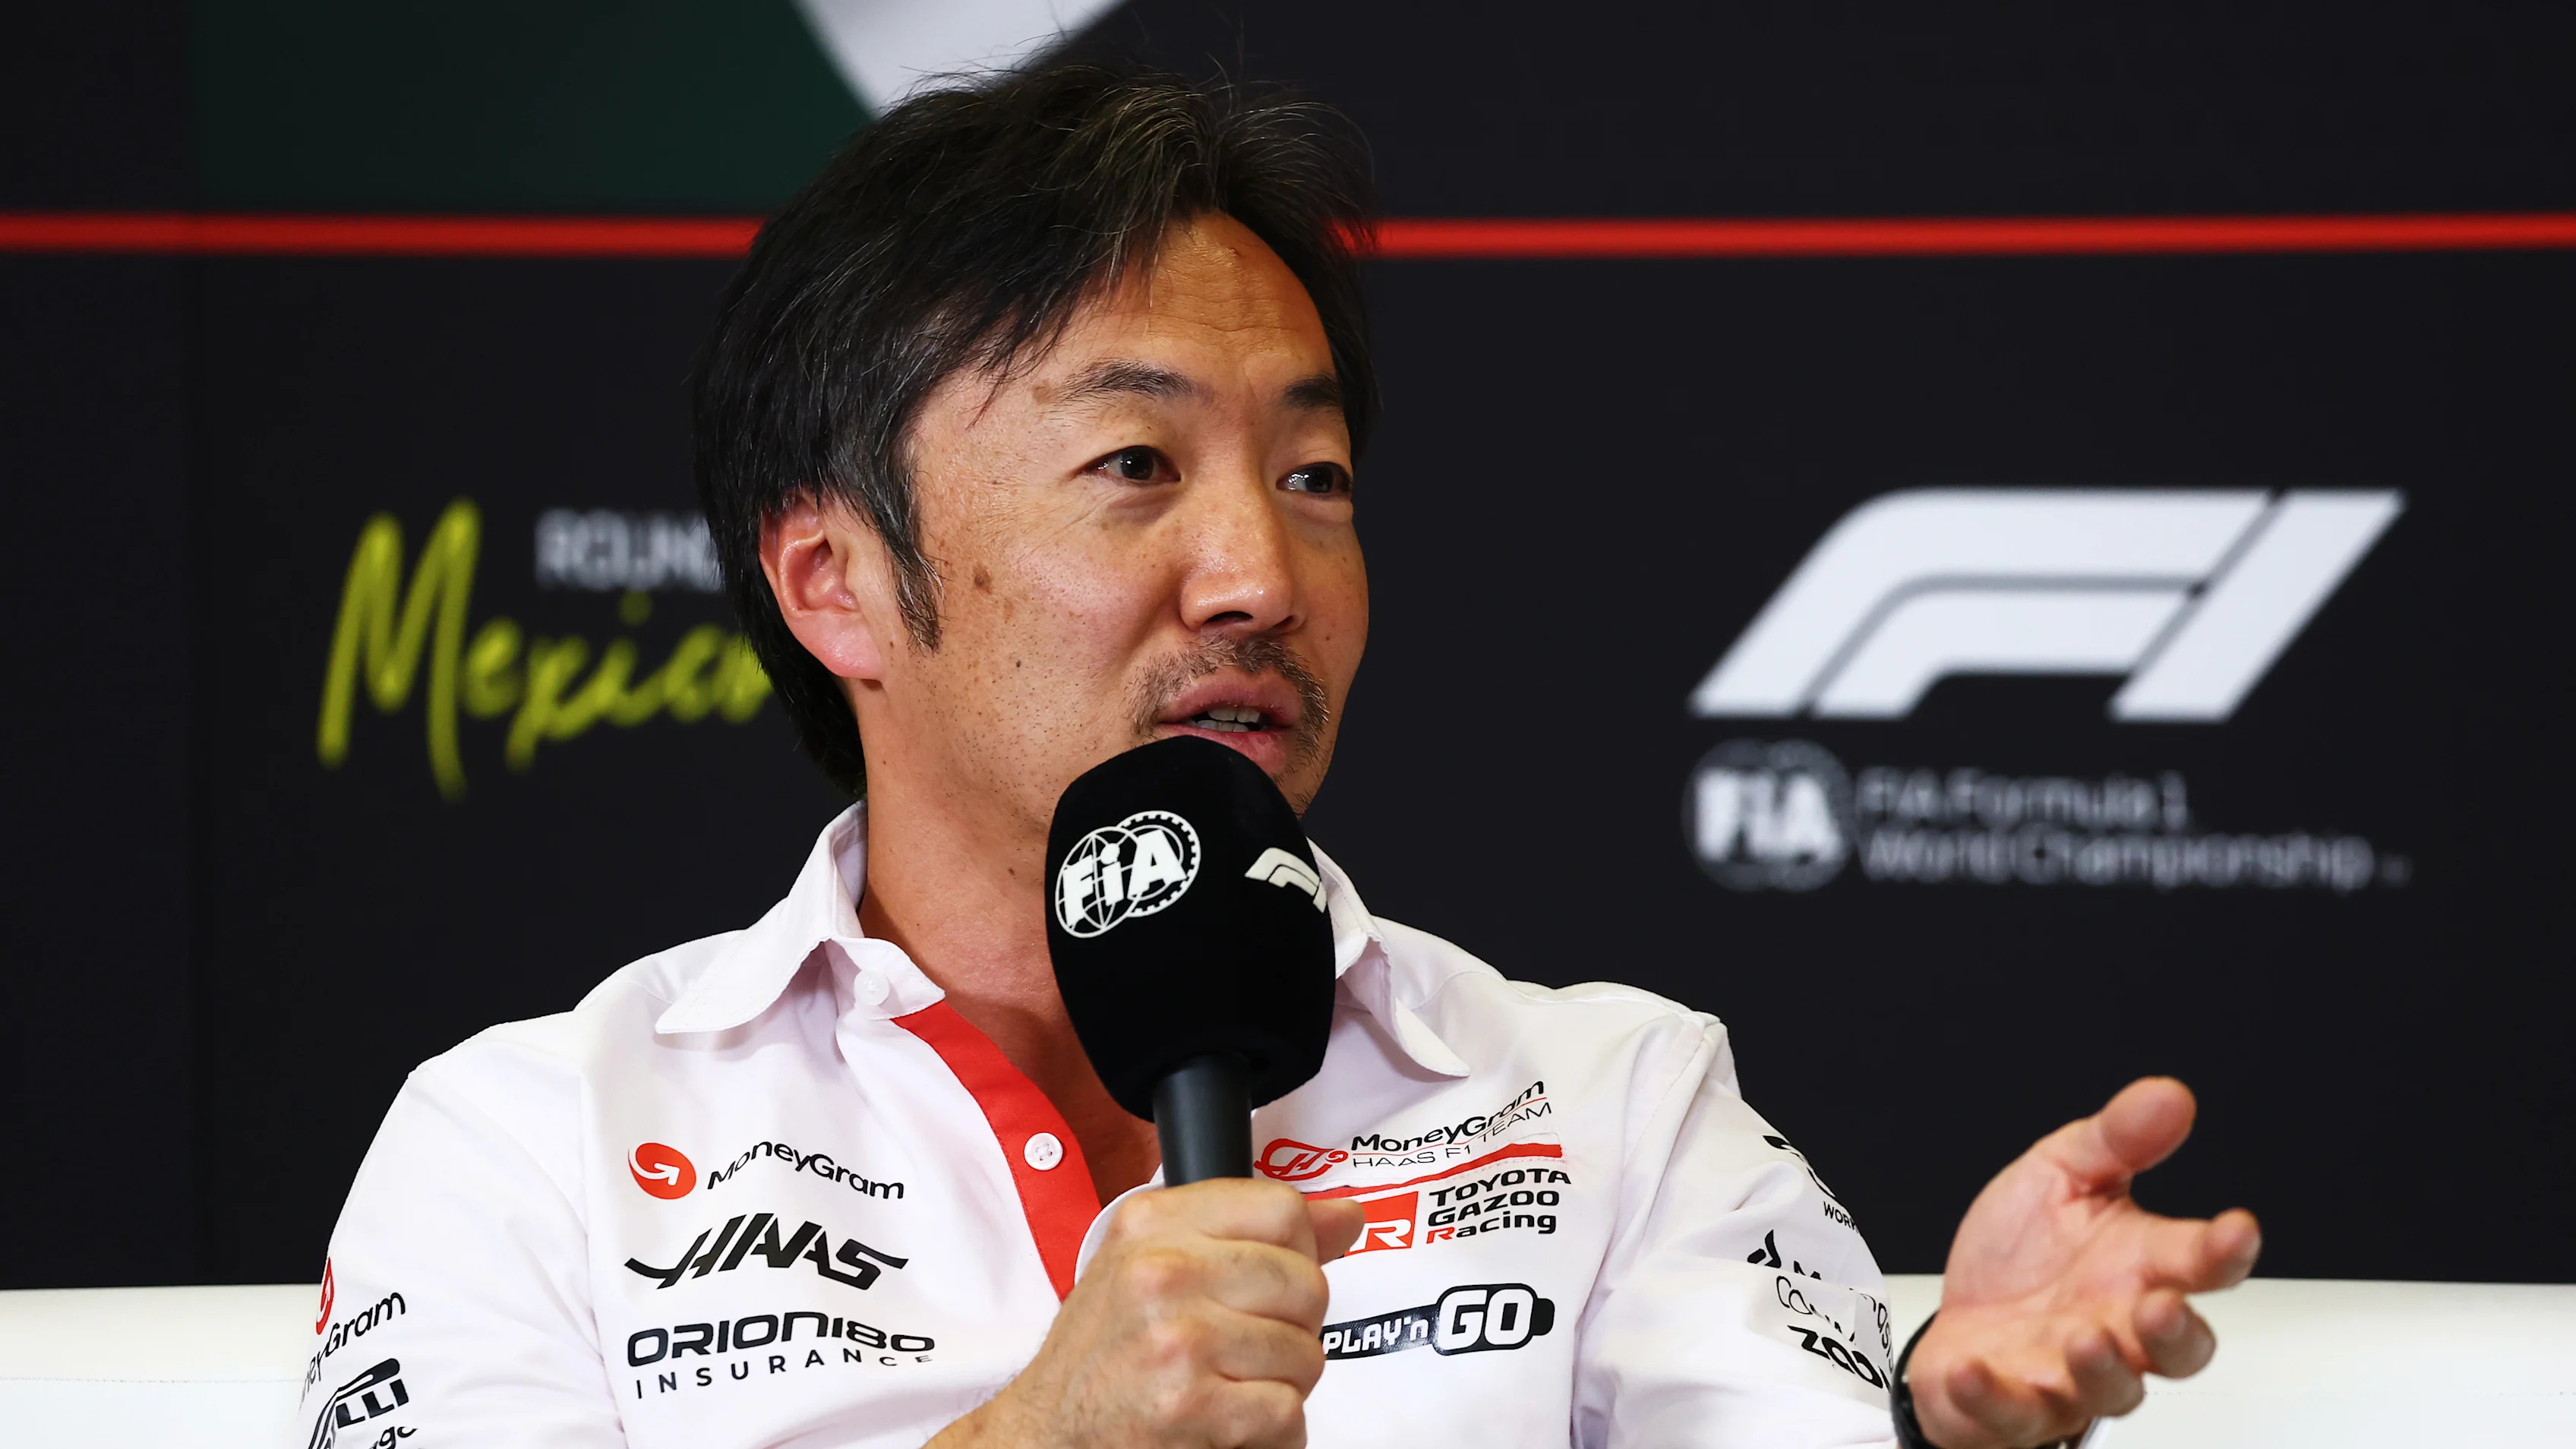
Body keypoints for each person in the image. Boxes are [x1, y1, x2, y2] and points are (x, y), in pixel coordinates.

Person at [295, 65, 2259, 1449]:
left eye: (1314, 477)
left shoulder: (1611, 1097)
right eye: (1136, 467)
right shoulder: (526, 1151)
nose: (1260, 573)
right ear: (834, 579)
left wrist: (1931, 1421)